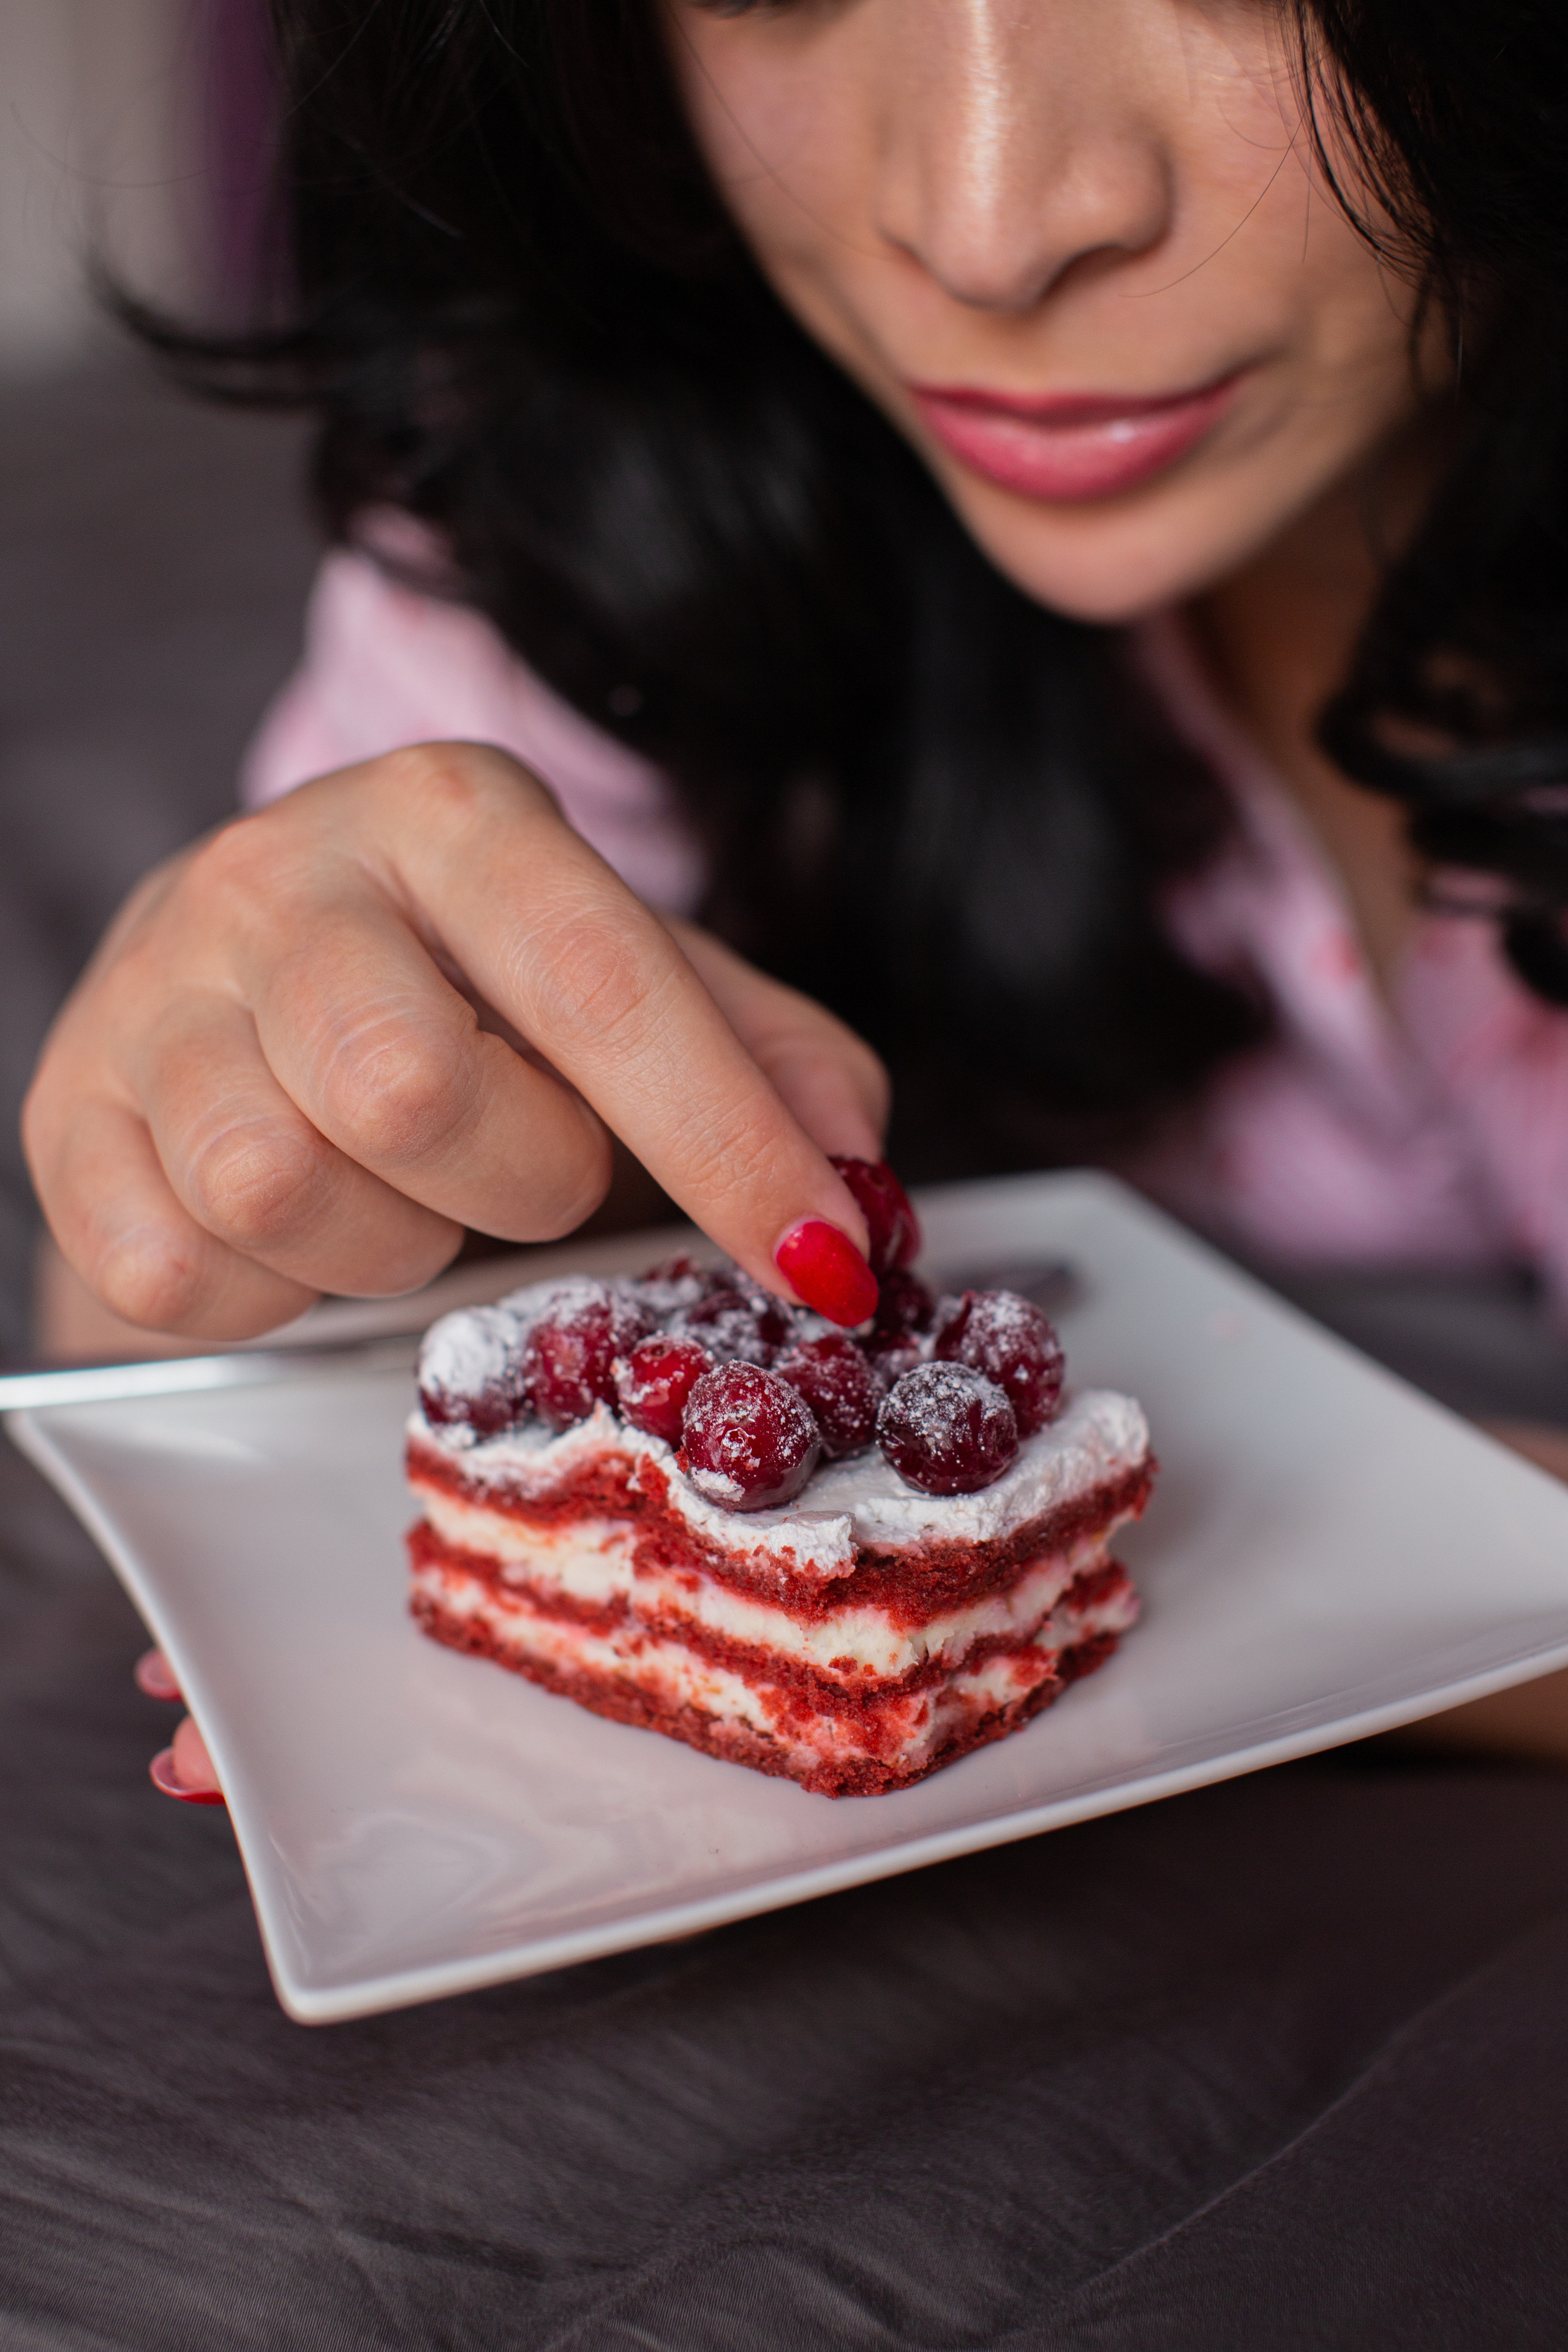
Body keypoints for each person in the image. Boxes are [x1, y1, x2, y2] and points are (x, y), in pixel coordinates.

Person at [23, 0, 1568, 1810]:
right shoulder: (609, 483)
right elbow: (155, 1344)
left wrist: (1035, 1580)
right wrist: (222, 1121)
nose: (988, 226)